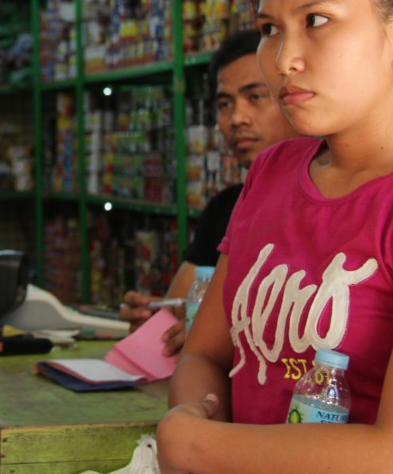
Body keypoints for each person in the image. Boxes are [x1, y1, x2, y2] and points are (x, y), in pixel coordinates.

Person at [157, 0, 393, 474]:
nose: (284, 57)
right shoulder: (270, 175)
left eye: (317, 20)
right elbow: (206, 354)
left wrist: (193, 443)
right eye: (268, 29)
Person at [120, 29, 299, 354]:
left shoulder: (329, 206)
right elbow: (177, 307)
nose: (236, 119)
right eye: (224, 104)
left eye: (255, 97)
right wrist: (152, 320)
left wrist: (217, 336)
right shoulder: (225, 208)